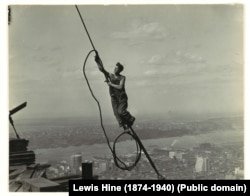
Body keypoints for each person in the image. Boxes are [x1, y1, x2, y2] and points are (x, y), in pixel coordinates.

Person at [94, 53, 135, 130]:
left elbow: (120, 87)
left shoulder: (122, 77)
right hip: (113, 97)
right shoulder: (111, 75)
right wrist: (97, 61)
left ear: (120, 70)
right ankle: (124, 126)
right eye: (115, 68)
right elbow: (102, 69)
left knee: (121, 111)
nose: (115, 69)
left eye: (117, 68)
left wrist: (110, 84)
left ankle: (131, 119)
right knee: (116, 113)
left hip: (121, 97)